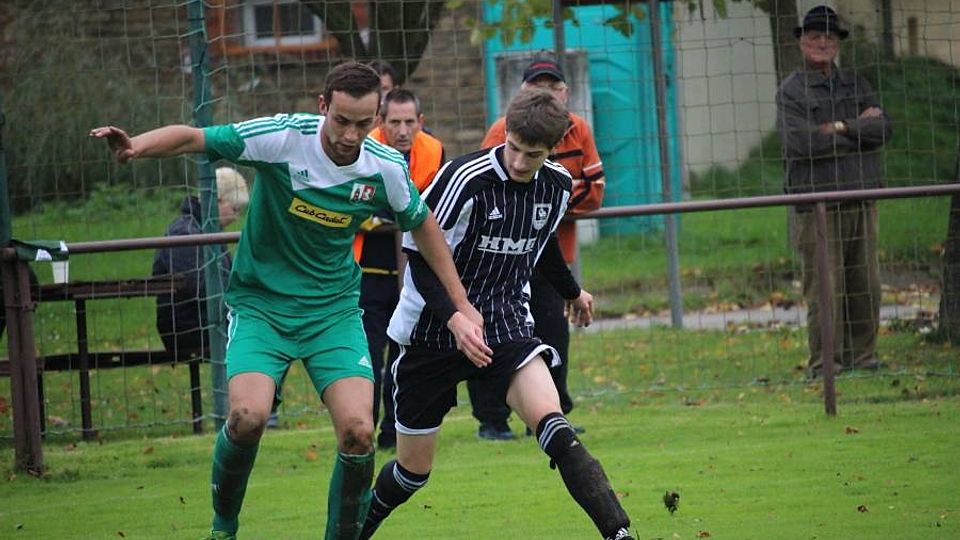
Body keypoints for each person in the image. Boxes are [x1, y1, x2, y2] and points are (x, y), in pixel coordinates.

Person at [91, 61, 488, 540]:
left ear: (377, 118)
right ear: (323, 106)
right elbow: (195, 138)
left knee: (360, 433)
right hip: (262, 307)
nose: (350, 135)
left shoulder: (384, 166)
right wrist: (136, 146)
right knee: (247, 419)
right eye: (341, 120)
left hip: (333, 313)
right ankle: (223, 527)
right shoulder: (282, 138)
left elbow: (423, 224)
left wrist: (461, 303)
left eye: (364, 124)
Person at [359, 89, 633, 540]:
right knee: (411, 473)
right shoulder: (463, 178)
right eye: (514, 148)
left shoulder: (556, 185)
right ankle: (352, 530)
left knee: (556, 428)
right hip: (430, 332)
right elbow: (420, 256)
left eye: (534, 155)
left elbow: (542, 244)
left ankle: (619, 533)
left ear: (553, 149)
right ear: (505, 133)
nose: (521, 162)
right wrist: (455, 317)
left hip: (505, 324)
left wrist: (572, 291)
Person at [469, 55, 606, 440]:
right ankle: (492, 420)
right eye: (536, 87)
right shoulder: (501, 130)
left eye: (552, 87)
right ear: (522, 95)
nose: (545, 93)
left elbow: (595, 191)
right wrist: (533, 207)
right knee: (489, 336)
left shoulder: (579, 130)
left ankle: (550, 416)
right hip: (500, 258)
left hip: (550, 255)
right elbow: (489, 191)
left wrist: (545, 206)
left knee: (552, 333)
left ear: (565, 93)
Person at [776, 6, 893, 378]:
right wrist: (858, 131)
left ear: (838, 43)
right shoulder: (791, 90)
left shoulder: (855, 83)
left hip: (862, 197)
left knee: (866, 284)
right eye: (814, 36)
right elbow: (802, 144)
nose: (822, 42)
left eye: (829, 36)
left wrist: (839, 127)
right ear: (801, 42)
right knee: (825, 288)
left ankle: (864, 357)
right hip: (818, 204)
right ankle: (827, 363)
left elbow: (883, 130)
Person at [353, 88, 445, 450]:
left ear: (421, 122)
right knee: (368, 356)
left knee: (405, 357)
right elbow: (361, 204)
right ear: (381, 122)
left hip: (414, 274)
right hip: (368, 274)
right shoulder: (361, 149)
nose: (403, 130)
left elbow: (434, 205)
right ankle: (362, 430)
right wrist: (400, 212)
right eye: (395, 122)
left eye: (410, 122)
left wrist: (395, 212)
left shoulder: (434, 151)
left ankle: (394, 432)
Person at [151, 166, 248, 357]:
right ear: (217, 199)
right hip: (188, 327)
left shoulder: (205, 230)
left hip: (211, 319)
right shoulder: (185, 233)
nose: (236, 217)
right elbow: (201, 288)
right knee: (262, 337)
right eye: (234, 209)